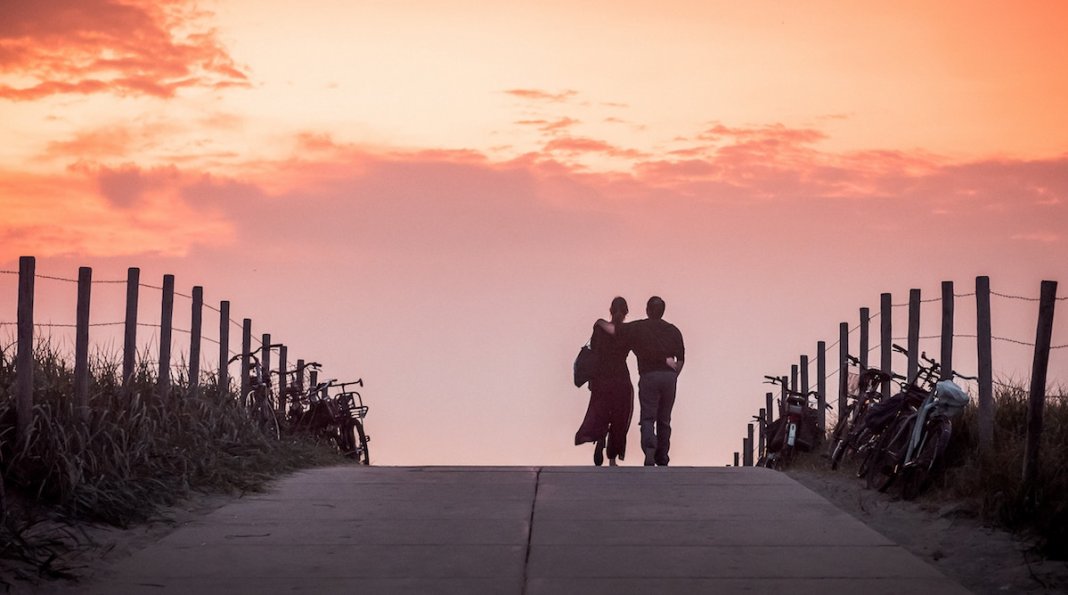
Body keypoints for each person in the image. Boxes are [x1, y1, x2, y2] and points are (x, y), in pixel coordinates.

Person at [598, 296, 684, 466]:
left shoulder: (638, 328)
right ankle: (662, 457)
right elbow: (680, 358)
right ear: (663, 311)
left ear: (648, 310)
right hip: (668, 376)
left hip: (649, 376)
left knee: (648, 417)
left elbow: (616, 330)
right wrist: (674, 375)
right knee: (664, 419)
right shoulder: (673, 330)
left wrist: (600, 323)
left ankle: (650, 451)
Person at [575, 297, 634, 466]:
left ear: (610, 310)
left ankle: (600, 438)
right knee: (619, 416)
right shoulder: (628, 332)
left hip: (602, 378)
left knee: (600, 412)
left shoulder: (599, 328)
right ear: (626, 312)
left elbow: (594, 354)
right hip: (621, 378)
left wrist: (592, 380)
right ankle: (612, 458)